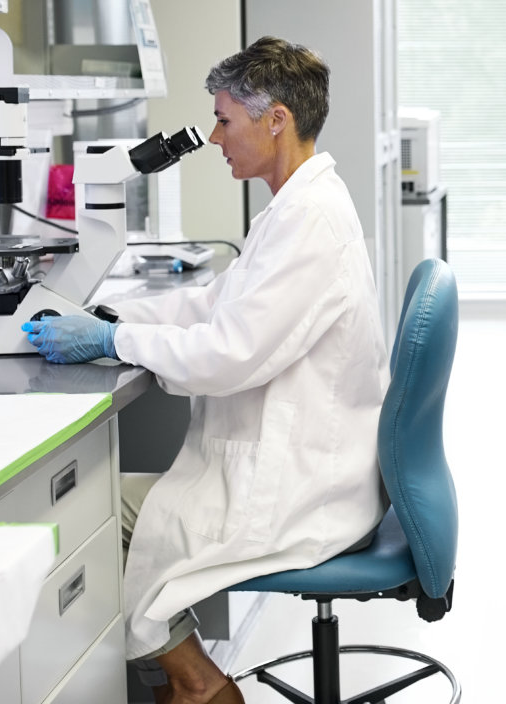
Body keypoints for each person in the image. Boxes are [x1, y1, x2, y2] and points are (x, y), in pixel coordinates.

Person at [22, 37, 387, 704]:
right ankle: (188, 680)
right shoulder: (297, 207)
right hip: (298, 461)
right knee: (118, 512)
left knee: (96, 518)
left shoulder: (310, 219)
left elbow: (227, 354)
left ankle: (197, 685)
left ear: (274, 119)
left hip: (299, 486)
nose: (216, 138)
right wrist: (114, 315)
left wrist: (113, 338)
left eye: (225, 120)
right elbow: (213, 305)